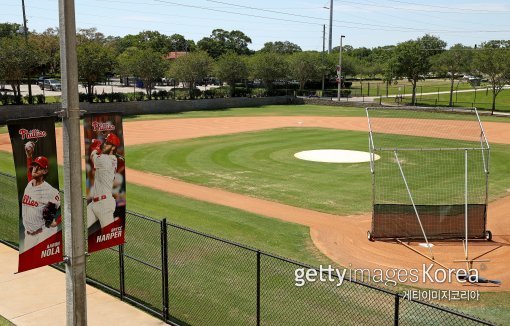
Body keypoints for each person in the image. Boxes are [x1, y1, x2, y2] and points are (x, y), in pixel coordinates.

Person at [22, 142, 61, 252]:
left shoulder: (50, 191)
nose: (35, 168)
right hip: (29, 235)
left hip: (44, 234)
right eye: (34, 165)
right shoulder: (30, 183)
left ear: (45, 171)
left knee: (43, 263)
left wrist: (57, 222)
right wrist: (29, 156)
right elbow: (30, 173)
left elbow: (68, 209)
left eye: (39, 167)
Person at [87, 133, 121, 230]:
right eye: (105, 142)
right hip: (94, 203)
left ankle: (115, 224)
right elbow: (100, 156)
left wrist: (96, 147)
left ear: (113, 147)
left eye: (108, 143)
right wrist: (99, 149)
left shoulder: (106, 160)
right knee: (82, 227)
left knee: (108, 237)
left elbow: (92, 155)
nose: (105, 144)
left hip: (105, 205)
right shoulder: (111, 159)